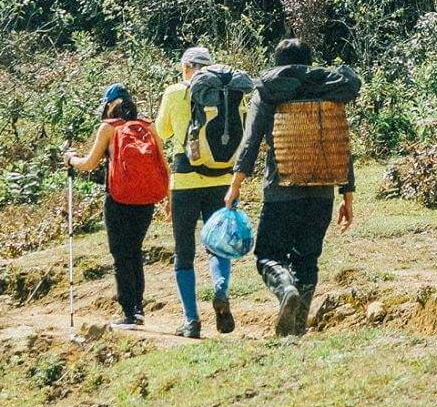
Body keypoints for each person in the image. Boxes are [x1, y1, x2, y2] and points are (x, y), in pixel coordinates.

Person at [225, 39, 361, 337]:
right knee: (307, 258)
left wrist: (235, 184)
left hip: (280, 190)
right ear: (308, 61)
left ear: (278, 64)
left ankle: (285, 289)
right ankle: (297, 329)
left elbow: (251, 141)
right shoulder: (328, 89)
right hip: (322, 191)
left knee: (268, 255)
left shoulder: (268, 90)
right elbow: (340, 143)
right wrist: (347, 194)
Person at [155, 45, 253, 338]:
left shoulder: (175, 93)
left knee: (184, 253)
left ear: (185, 67)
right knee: (218, 245)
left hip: (185, 182)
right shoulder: (229, 93)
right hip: (221, 181)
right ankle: (221, 290)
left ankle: (191, 320)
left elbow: (162, 132)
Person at [65, 83, 169, 329]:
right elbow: (163, 164)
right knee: (134, 251)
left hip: (118, 199)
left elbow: (89, 164)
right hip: (146, 200)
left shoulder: (108, 129)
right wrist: (169, 198)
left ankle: (129, 312)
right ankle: (138, 308)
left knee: (121, 254)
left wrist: (70, 159)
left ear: (110, 105)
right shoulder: (148, 125)